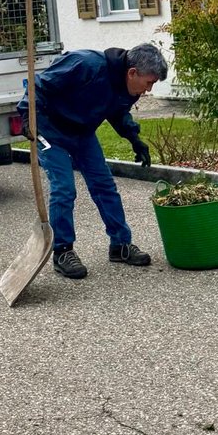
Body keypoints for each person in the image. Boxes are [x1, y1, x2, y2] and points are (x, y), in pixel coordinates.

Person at [17, 43, 168, 280]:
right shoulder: (85, 64)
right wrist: (27, 115)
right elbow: (39, 85)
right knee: (64, 188)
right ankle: (62, 251)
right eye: (149, 82)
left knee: (104, 186)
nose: (148, 89)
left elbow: (117, 113)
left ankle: (120, 245)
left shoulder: (126, 88)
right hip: (49, 128)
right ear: (132, 73)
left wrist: (134, 139)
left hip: (82, 133)